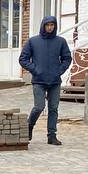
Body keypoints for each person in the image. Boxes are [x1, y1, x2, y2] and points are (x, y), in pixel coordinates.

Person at [17, 14, 72, 145]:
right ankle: (29, 126)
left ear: (55, 26)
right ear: (43, 26)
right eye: (47, 25)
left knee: (53, 108)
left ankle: (51, 135)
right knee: (39, 107)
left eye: (52, 25)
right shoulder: (33, 41)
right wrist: (35, 70)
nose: (50, 27)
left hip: (54, 81)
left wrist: (59, 71)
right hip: (38, 81)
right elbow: (23, 59)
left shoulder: (61, 42)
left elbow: (67, 58)